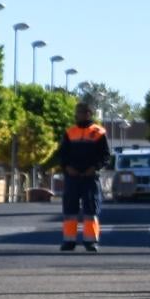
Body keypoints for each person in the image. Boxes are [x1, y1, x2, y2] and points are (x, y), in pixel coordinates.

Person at [54, 102, 112, 251]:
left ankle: (90, 241)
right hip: (72, 177)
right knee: (69, 210)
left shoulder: (99, 132)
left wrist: (94, 168)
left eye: (82, 112)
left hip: (90, 177)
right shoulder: (70, 132)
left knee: (90, 209)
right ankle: (69, 241)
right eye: (77, 112)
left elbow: (105, 156)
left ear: (89, 113)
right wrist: (67, 167)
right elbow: (62, 154)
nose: (78, 114)